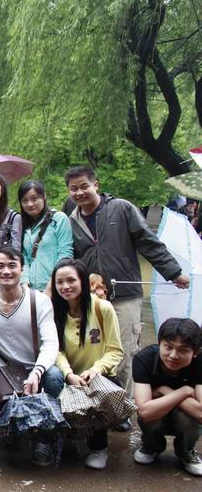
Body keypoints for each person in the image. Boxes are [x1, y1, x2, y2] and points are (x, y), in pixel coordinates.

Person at [65, 165, 189, 409]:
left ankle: (126, 407)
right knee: (95, 353)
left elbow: (148, 241)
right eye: (73, 189)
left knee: (124, 353)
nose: (79, 193)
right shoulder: (71, 219)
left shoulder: (121, 208)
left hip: (124, 295)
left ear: (96, 185)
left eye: (84, 186)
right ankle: (101, 406)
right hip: (92, 298)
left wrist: (173, 272)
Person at [0, 247, 62, 466]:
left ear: (22, 269)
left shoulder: (40, 301)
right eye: (0, 266)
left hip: (37, 369)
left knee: (54, 376)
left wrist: (37, 372)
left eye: (12, 265)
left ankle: (45, 439)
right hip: (5, 373)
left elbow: (51, 343)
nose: (6, 271)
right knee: (11, 440)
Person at [50, 259, 124, 469]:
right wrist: (69, 374)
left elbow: (115, 350)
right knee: (52, 377)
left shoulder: (102, 308)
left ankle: (99, 447)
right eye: (59, 282)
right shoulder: (55, 310)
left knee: (100, 393)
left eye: (71, 280)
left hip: (99, 377)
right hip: (71, 376)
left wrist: (95, 370)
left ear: (82, 280)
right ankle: (65, 436)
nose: (65, 286)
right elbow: (56, 349)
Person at [132, 318, 202, 477]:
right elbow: (144, 411)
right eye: (168, 347)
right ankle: (152, 446)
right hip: (158, 414)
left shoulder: (200, 362)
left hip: (184, 414)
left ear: (195, 352)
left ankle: (186, 452)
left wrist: (163, 391)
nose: (173, 355)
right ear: (160, 344)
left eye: (183, 350)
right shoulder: (144, 359)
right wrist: (184, 391)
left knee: (188, 420)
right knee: (150, 417)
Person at [18, 180, 73, 292]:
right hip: (31, 289)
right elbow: (24, 257)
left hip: (56, 287)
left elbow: (65, 254)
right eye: (24, 200)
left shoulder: (59, 219)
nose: (29, 204)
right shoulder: (23, 225)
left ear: (44, 197)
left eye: (34, 199)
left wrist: (51, 286)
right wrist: (24, 284)